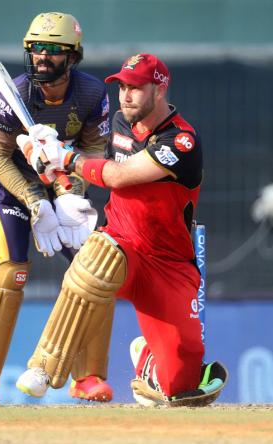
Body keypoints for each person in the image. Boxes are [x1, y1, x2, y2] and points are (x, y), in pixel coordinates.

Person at [14, 54, 227, 407]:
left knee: (180, 389)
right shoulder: (119, 123)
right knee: (98, 258)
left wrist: (65, 158)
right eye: (123, 87)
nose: (126, 95)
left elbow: (117, 175)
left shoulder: (182, 141)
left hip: (169, 267)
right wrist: (45, 158)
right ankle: (42, 367)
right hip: (125, 246)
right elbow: (90, 162)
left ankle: (149, 359)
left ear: (159, 90)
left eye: (136, 88)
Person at [0, 12, 114, 406]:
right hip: (10, 188)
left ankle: (88, 376)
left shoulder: (92, 94)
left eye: (52, 50)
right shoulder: (13, 93)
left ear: (73, 56)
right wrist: (33, 197)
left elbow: (95, 151)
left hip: (60, 187)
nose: (42, 58)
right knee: (12, 272)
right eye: (36, 50)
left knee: (95, 272)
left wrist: (69, 194)